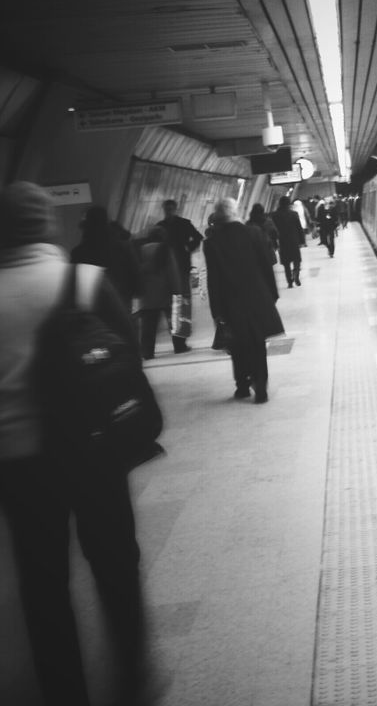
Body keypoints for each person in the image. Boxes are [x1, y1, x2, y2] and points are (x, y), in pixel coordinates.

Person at [0, 182, 158, 705]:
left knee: (42, 584)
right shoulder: (87, 282)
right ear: (47, 224)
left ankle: (64, 690)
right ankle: (132, 673)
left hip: (19, 463)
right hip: (94, 450)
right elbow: (127, 361)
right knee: (115, 562)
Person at [202, 198, 284, 403]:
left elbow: (213, 279)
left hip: (230, 302)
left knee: (237, 344)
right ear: (235, 212)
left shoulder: (211, 243)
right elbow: (267, 266)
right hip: (257, 298)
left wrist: (216, 310)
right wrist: (272, 295)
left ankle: (242, 385)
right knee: (257, 343)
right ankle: (261, 387)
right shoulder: (254, 233)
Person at [156, 198, 203, 353]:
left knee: (181, 305)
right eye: (167, 209)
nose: (169, 212)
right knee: (176, 305)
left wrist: (188, 248)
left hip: (181, 269)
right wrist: (188, 249)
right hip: (171, 270)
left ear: (174, 209)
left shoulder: (177, 224)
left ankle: (180, 342)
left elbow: (198, 237)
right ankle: (179, 341)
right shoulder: (162, 227)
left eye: (170, 209)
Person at [70, 204, 140, 306]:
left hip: (91, 306)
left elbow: (74, 285)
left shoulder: (79, 252)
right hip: (120, 302)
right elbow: (135, 275)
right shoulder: (123, 247)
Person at [134, 226, 182, 360]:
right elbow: (172, 272)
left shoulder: (140, 250)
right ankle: (179, 346)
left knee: (148, 325)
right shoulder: (165, 249)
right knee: (174, 321)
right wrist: (177, 291)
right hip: (164, 290)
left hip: (147, 293)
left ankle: (147, 352)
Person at [272, 195, 305, 287]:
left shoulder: (275, 215)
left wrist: (275, 243)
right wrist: (302, 240)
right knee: (296, 260)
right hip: (294, 240)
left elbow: (274, 231)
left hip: (283, 242)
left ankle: (289, 282)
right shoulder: (294, 214)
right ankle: (296, 275)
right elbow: (299, 228)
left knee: (286, 263)